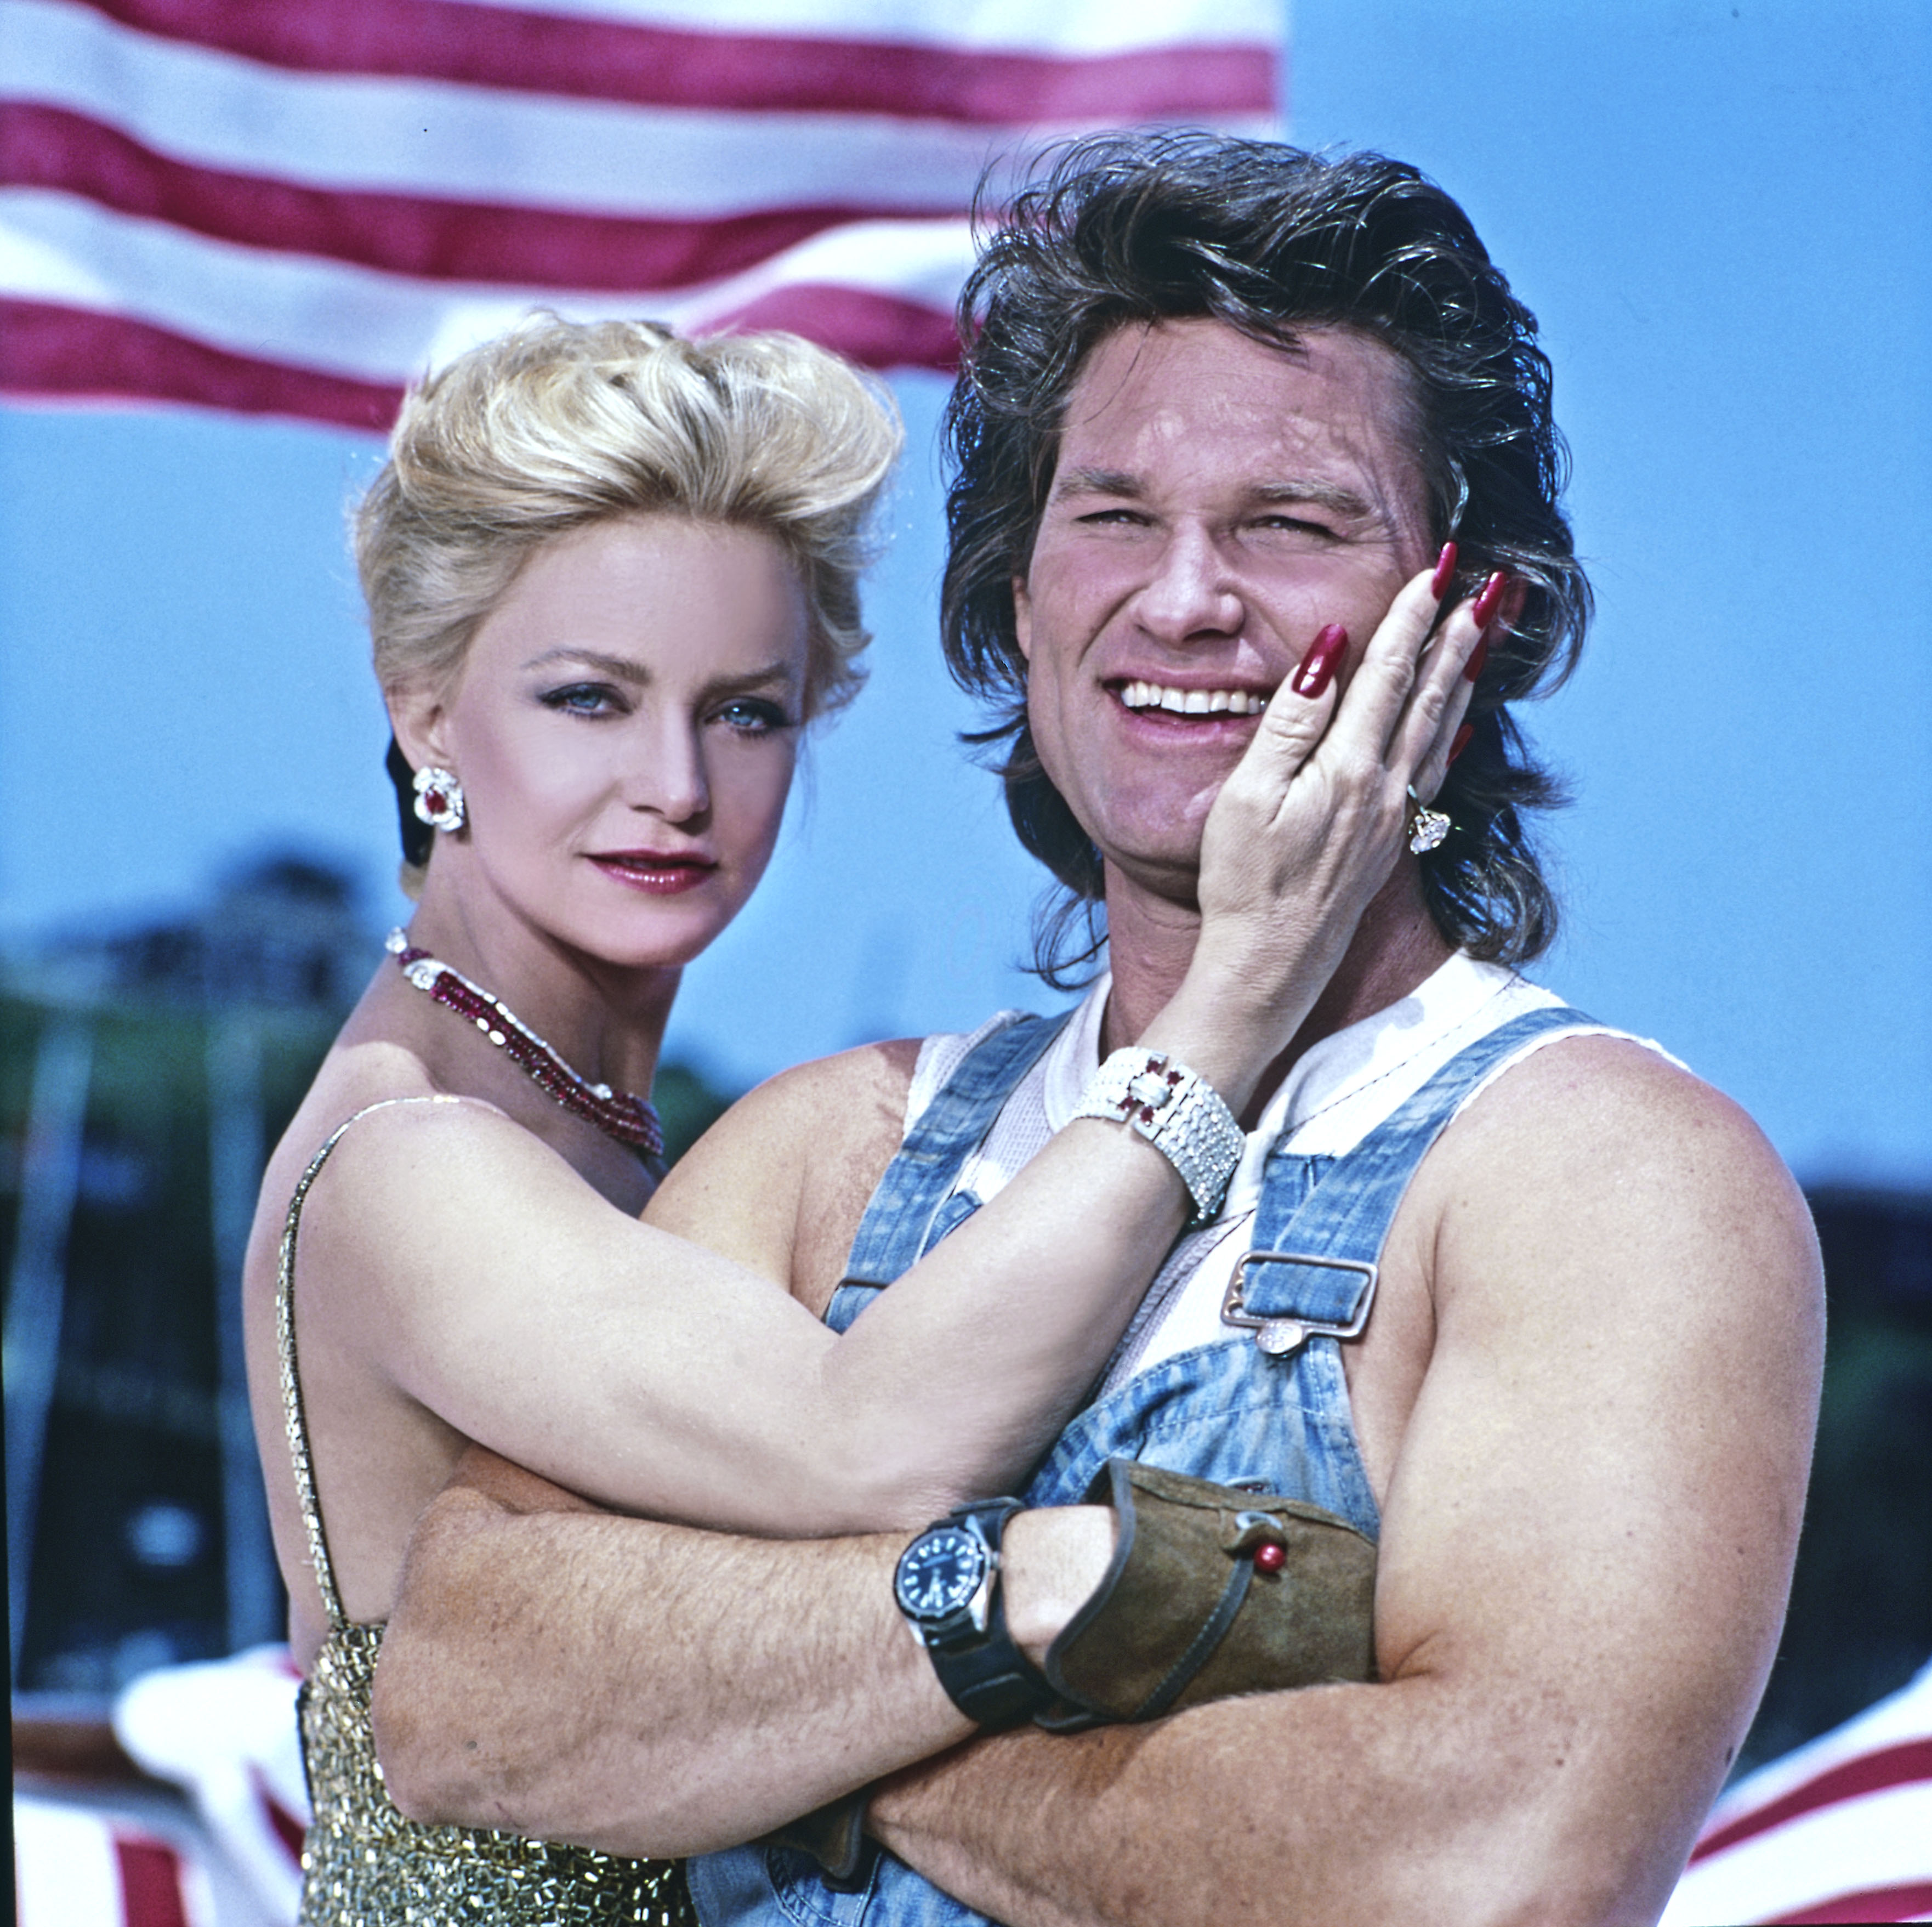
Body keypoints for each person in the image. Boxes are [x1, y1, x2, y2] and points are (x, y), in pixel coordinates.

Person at [367, 135, 1825, 1926]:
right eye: (1113, 515)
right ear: (1021, 592)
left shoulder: (1596, 1176)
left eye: (1288, 523)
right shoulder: (834, 1151)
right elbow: (457, 1697)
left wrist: (804, 1725)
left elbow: (1475, 1873)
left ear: (1463, 611)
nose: (1183, 596)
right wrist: (1036, 1604)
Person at [242, 310, 1483, 1925]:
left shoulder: (599, 1129)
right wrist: (1243, 985)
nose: (676, 783)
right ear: (425, 719)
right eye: (587, 701)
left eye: (746, 709)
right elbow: (870, 1442)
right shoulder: (414, 1157)